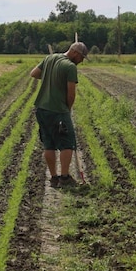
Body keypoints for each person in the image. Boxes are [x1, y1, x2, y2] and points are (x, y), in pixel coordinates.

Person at [30, 41, 88, 188]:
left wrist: (51, 77)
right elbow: (71, 95)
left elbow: (34, 73)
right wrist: (67, 109)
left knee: (48, 144)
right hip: (58, 110)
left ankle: (54, 178)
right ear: (75, 53)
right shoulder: (70, 67)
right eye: (82, 58)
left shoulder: (50, 58)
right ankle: (64, 178)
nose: (81, 62)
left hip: (41, 109)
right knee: (67, 143)